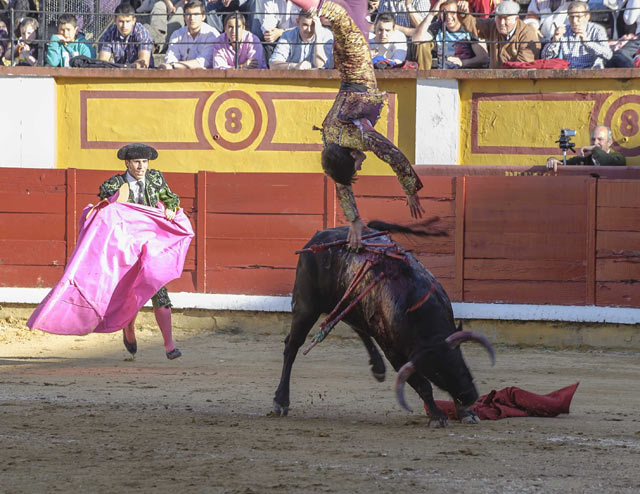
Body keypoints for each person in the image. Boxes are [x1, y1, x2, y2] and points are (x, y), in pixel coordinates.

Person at [287, 0, 424, 248]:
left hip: (357, 65)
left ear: (351, 153)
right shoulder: (331, 143)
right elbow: (341, 182)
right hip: (347, 70)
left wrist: (410, 189)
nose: (361, 165)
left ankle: (319, 5)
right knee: (355, 9)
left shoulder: (356, 137)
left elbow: (393, 155)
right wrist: (354, 220)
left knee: (341, 18)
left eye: (357, 164)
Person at [98, 143, 183, 360]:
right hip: (127, 247)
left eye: (144, 162)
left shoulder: (155, 179)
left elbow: (170, 197)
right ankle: (129, 329)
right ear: (127, 163)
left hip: (151, 245)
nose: (141, 166)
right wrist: (119, 194)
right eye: (136, 162)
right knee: (130, 293)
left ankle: (169, 346)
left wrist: (171, 208)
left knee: (158, 288)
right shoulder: (117, 182)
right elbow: (105, 195)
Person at [458, 0, 540, 68]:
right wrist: (464, 15)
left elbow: (522, 67)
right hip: (495, 81)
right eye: (499, 18)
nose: (502, 23)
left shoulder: (527, 35)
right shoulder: (493, 25)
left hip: (517, 83)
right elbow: (474, 25)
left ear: (516, 18)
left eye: (506, 19)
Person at [413, 0, 489, 68]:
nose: (448, 17)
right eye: (444, 13)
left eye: (452, 13)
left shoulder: (469, 28)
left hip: (465, 74)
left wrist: (463, 62)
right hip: (442, 75)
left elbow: (483, 58)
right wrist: (432, 14)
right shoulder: (437, 26)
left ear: (459, 13)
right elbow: (416, 40)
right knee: (422, 44)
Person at [541, 1, 612, 68]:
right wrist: (554, 40)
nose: (574, 21)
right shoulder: (563, 31)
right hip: (568, 73)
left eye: (578, 17)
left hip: (591, 71)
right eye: (571, 17)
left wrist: (587, 42)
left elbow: (608, 55)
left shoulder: (597, 30)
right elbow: (545, 57)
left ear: (587, 17)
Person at [159, 0, 220, 69]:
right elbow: (170, 58)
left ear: (203, 16)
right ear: (184, 17)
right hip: (179, 75)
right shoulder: (177, 34)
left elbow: (203, 62)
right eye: (188, 14)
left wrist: (174, 65)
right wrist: (173, 65)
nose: (192, 18)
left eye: (196, 14)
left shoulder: (211, 34)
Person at [269, 11, 333, 69]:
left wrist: (318, 36)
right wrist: (295, 66)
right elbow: (273, 64)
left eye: (313, 25)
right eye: (305, 25)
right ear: (297, 22)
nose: (309, 30)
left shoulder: (327, 35)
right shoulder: (287, 36)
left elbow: (320, 65)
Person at [98, 2, 154, 68]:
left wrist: (127, 68)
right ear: (115, 20)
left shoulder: (142, 32)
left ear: (134, 21)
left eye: (127, 21)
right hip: (119, 74)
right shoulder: (109, 34)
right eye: (121, 21)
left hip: (143, 75)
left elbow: (143, 62)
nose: (124, 26)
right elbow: (103, 61)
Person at [546, 125, 626, 171]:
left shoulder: (618, 157)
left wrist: (594, 149)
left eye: (600, 139)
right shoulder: (585, 159)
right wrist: (552, 160)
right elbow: (564, 163)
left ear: (609, 142)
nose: (595, 143)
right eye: (593, 139)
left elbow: (610, 163)